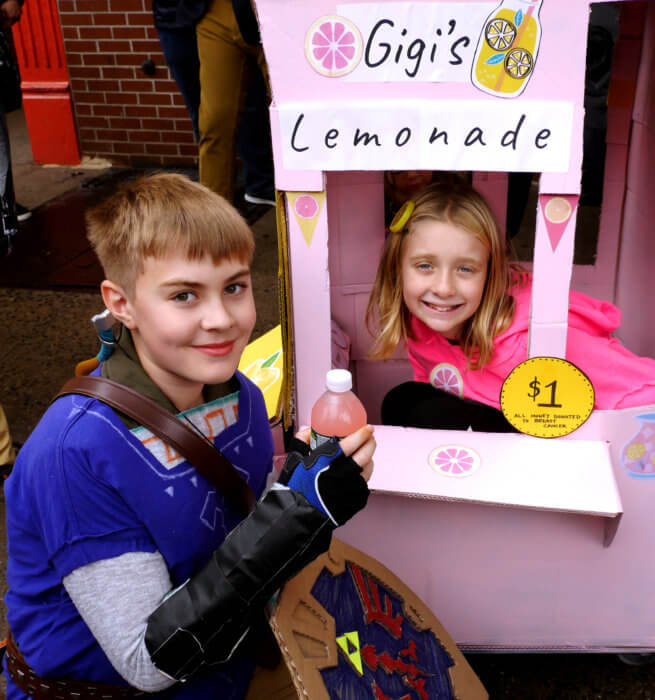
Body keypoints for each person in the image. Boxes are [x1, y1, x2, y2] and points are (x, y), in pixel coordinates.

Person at [3, 173, 375, 699]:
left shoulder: (240, 394)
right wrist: (296, 516)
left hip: (226, 667)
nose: (221, 319)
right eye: (184, 295)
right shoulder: (74, 454)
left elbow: (240, 531)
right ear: (122, 303)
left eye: (235, 287)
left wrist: (301, 481)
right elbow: (149, 659)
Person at [366, 181, 655, 432]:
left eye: (465, 269)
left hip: (550, 442)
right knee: (403, 401)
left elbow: (643, 388)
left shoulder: (530, 340)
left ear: (490, 275)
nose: (443, 288)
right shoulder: (422, 322)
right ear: (397, 271)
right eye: (425, 266)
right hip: (495, 419)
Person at [196, 0, 275, 206]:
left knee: (294, 112)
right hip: (217, 10)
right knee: (215, 123)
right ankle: (212, 224)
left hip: (277, 10)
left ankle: (310, 217)